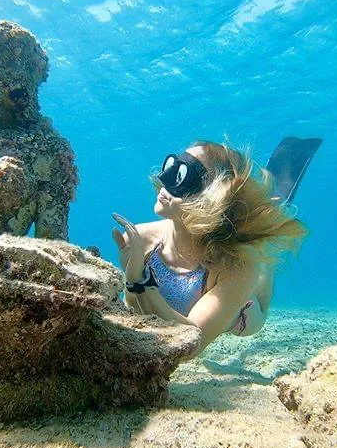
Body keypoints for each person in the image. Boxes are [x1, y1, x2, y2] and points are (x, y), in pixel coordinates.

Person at [112, 140, 308, 356]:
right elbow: (137, 316)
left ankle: (271, 211)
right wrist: (134, 280)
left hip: (241, 315)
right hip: (188, 310)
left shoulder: (239, 266)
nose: (164, 180)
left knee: (257, 258)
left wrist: (141, 281)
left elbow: (189, 347)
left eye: (182, 175)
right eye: (171, 166)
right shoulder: (139, 239)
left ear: (212, 195)